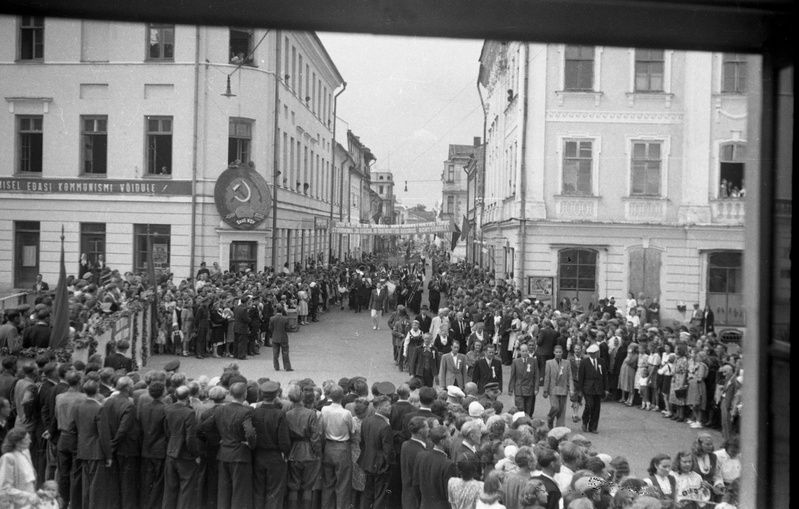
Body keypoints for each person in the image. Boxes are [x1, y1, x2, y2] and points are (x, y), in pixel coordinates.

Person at [197, 382, 257, 509]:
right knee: (240, 493)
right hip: (240, 454)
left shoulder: (220, 409)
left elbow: (202, 428)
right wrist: (250, 445)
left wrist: (216, 441)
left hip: (223, 454)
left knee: (223, 492)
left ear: (230, 394)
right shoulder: (246, 411)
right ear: (245, 394)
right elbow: (250, 432)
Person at [101, 376, 141, 509]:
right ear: (128, 388)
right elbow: (123, 430)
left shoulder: (108, 402)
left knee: (114, 482)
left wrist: (109, 446)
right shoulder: (129, 405)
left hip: (112, 448)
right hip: (126, 448)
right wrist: (113, 444)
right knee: (127, 483)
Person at [70, 380, 111, 509]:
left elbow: (73, 428)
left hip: (83, 450)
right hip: (96, 452)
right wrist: (108, 455)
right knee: (96, 486)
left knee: (86, 484)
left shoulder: (77, 407)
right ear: (97, 390)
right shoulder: (99, 408)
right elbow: (104, 434)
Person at [252, 381, 291, 509]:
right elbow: (284, 439)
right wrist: (286, 453)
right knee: (274, 492)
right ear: (276, 395)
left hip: (258, 454)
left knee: (258, 490)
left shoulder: (255, 412)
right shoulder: (279, 414)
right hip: (275, 456)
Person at [163, 385, 201, 509]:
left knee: (170, 489)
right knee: (187, 490)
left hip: (171, 452)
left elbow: (166, 430)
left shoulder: (168, 409)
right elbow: (190, 438)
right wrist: (196, 455)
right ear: (188, 397)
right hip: (185, 456)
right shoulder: (189, 412)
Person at [285, 385, 321, 509]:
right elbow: (315, 437)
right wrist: (317, 453)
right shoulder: (311, 414)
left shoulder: (288, 414)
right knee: (307, 487)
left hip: (293, 451)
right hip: (309, 452)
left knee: (293, 486)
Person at [319, 386, 353, 509]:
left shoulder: (324, 409)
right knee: (343, 482)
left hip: (328, 445)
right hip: (342, 447)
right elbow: (352, 430)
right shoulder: (346, 413)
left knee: (328, 482)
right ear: (342, 396)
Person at [358, 395, 394, 509]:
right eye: (387, 406)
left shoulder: (366, 421)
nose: (390, 408)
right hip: (381, 465)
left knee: (368, 493)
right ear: (378, 408)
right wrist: (389, 463)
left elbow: (362, 442)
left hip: (367, 462)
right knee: (380, 496)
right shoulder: (385, 426)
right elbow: (388, 450)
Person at [412, 425, 457, 509]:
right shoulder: (448, 464)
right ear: (442, 442)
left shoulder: (420, 456)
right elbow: (450, 496)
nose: (451, 439)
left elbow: (416, 484)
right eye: (449, 437)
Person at [139, 381, 167, 509]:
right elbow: (167, 430)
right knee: (158, 481)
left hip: (146, 447)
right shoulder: (165, 408)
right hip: (160, 449)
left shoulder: (144, 406)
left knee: (147, 480)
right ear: (163, 393)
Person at [0, 429, 39, 507]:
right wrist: (28, 495)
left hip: (29, 504)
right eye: (27, 439)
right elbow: (5, 488)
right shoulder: (8, 458)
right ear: (18, 442)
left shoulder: (25, 454)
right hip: (17, 505)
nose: (30, 441)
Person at [577, 343, 608, 434]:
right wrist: (580, 390)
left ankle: (593, 426)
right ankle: (585, 421)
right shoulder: (584, 362)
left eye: (595, 353)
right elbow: (581, 377)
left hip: (598, 387)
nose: (594, 355)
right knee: (589, 405)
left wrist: (606, 388)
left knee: (596, 407)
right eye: (591, 353)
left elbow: (605, 375)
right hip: (588, 387)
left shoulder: (601, 361)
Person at [400, 416, 429, 509]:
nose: (429, 429)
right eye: (427, 427)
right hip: (416, 501)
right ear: (421, 431)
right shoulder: (421, 453)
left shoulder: (405, 445)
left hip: (406, 497)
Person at [543, 345, 573, 429]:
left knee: (562, 410)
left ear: (562, 353)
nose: (558, 354)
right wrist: (545, 390)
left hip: (563, 388)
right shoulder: (549, 363)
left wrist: (571, 389)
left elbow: (570, 376)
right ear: (554, 353)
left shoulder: (567, 363)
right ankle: (550, 417)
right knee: (555, 407)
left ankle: (559, 427)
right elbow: (547, 377)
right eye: (557, 352)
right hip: (553, 389)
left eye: (560, 352)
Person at [508, 343, 539, 418]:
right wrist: (510, 389)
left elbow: (537, 376)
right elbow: (512, 376)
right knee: (520, 408)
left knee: (528, 409)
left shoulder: (533, 361)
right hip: (519, 388)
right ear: (519, 352)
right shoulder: (515, 361)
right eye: (523, 351)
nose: (525, 353)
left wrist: (536, 388)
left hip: (530, 388)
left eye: (526, 351)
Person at [233, 296, 252, 360]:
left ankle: (235, 354)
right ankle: (241, 355)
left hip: (236, 326)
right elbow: (246, 319)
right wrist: (249, 319)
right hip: (242, 327)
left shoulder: (236, 308)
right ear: (246, 302)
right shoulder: (244, 309)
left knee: (236, 341)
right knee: (242, 342)